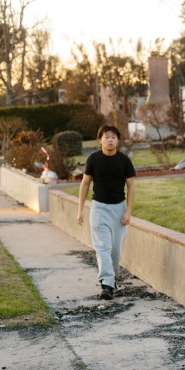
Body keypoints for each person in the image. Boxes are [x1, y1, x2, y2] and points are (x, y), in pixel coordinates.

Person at [76, 125, 136, 301]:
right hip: (99, 208)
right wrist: (80, 211)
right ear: (100, 140)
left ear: (117, 140)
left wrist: (128, 212)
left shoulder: (124, 161)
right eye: (106, 137)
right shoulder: (93, 159)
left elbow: (131, 186)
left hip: (119, 208)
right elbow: (85, 184)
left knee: (115, 250)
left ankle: (111, 278)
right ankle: (107, 284)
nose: (110, 140)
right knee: (102, 247)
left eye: (113, 137)